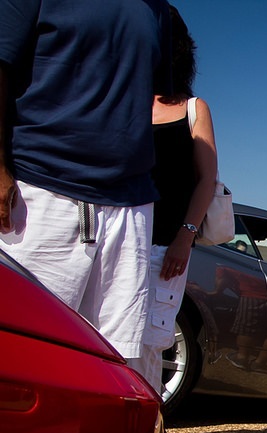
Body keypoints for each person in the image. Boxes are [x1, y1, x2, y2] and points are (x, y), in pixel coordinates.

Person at [0, 0, 172, 379]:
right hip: (41, 187)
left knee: (115, 361)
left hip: (130, 203)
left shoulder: (157, 9)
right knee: (23, 349)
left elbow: (151, 97)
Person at [140, 4, 219, 394]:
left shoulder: (193, 109)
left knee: (150, 345)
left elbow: (207, 179)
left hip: (164, 249)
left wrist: (184, 238)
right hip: (118, 238)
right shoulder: (128, 100)